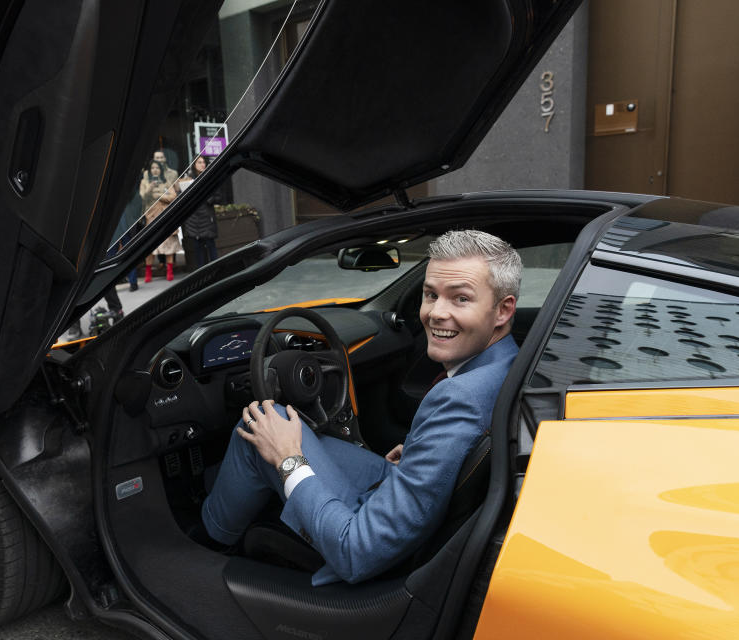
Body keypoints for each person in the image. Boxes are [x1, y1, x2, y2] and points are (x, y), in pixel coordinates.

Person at [201, 229, 520, 586]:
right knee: (271, 430)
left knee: (261, 426)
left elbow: (359, 552)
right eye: (430, 295)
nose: (435, 313)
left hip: (374, 549)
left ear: (503, 310)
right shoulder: (506, 364)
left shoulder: (461, 397)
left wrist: (289, 459)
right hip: (403, 493)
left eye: (460, 299)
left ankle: (207, 543)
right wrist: (419, 453)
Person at [181, 156, 221, 269]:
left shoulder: (211, 178)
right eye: (199, 162)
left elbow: (219, 197)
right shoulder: (188, 180)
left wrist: (209, 198)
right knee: (198, 250)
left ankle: (215, 270)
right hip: (193, 219)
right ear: (194, 165)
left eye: (203, 162)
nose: (202, 164)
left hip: (207, 218)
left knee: (210, 246)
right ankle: (201, 273)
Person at [143, 176, 182, 281]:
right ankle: (148, 272)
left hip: (166, 219)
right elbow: (142, 198)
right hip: (151, 218)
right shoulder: (145, 182)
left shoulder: (166, 182)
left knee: (169, 246)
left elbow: (173, 197)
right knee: (150, 248)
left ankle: (169, 271)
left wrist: (159, 195)